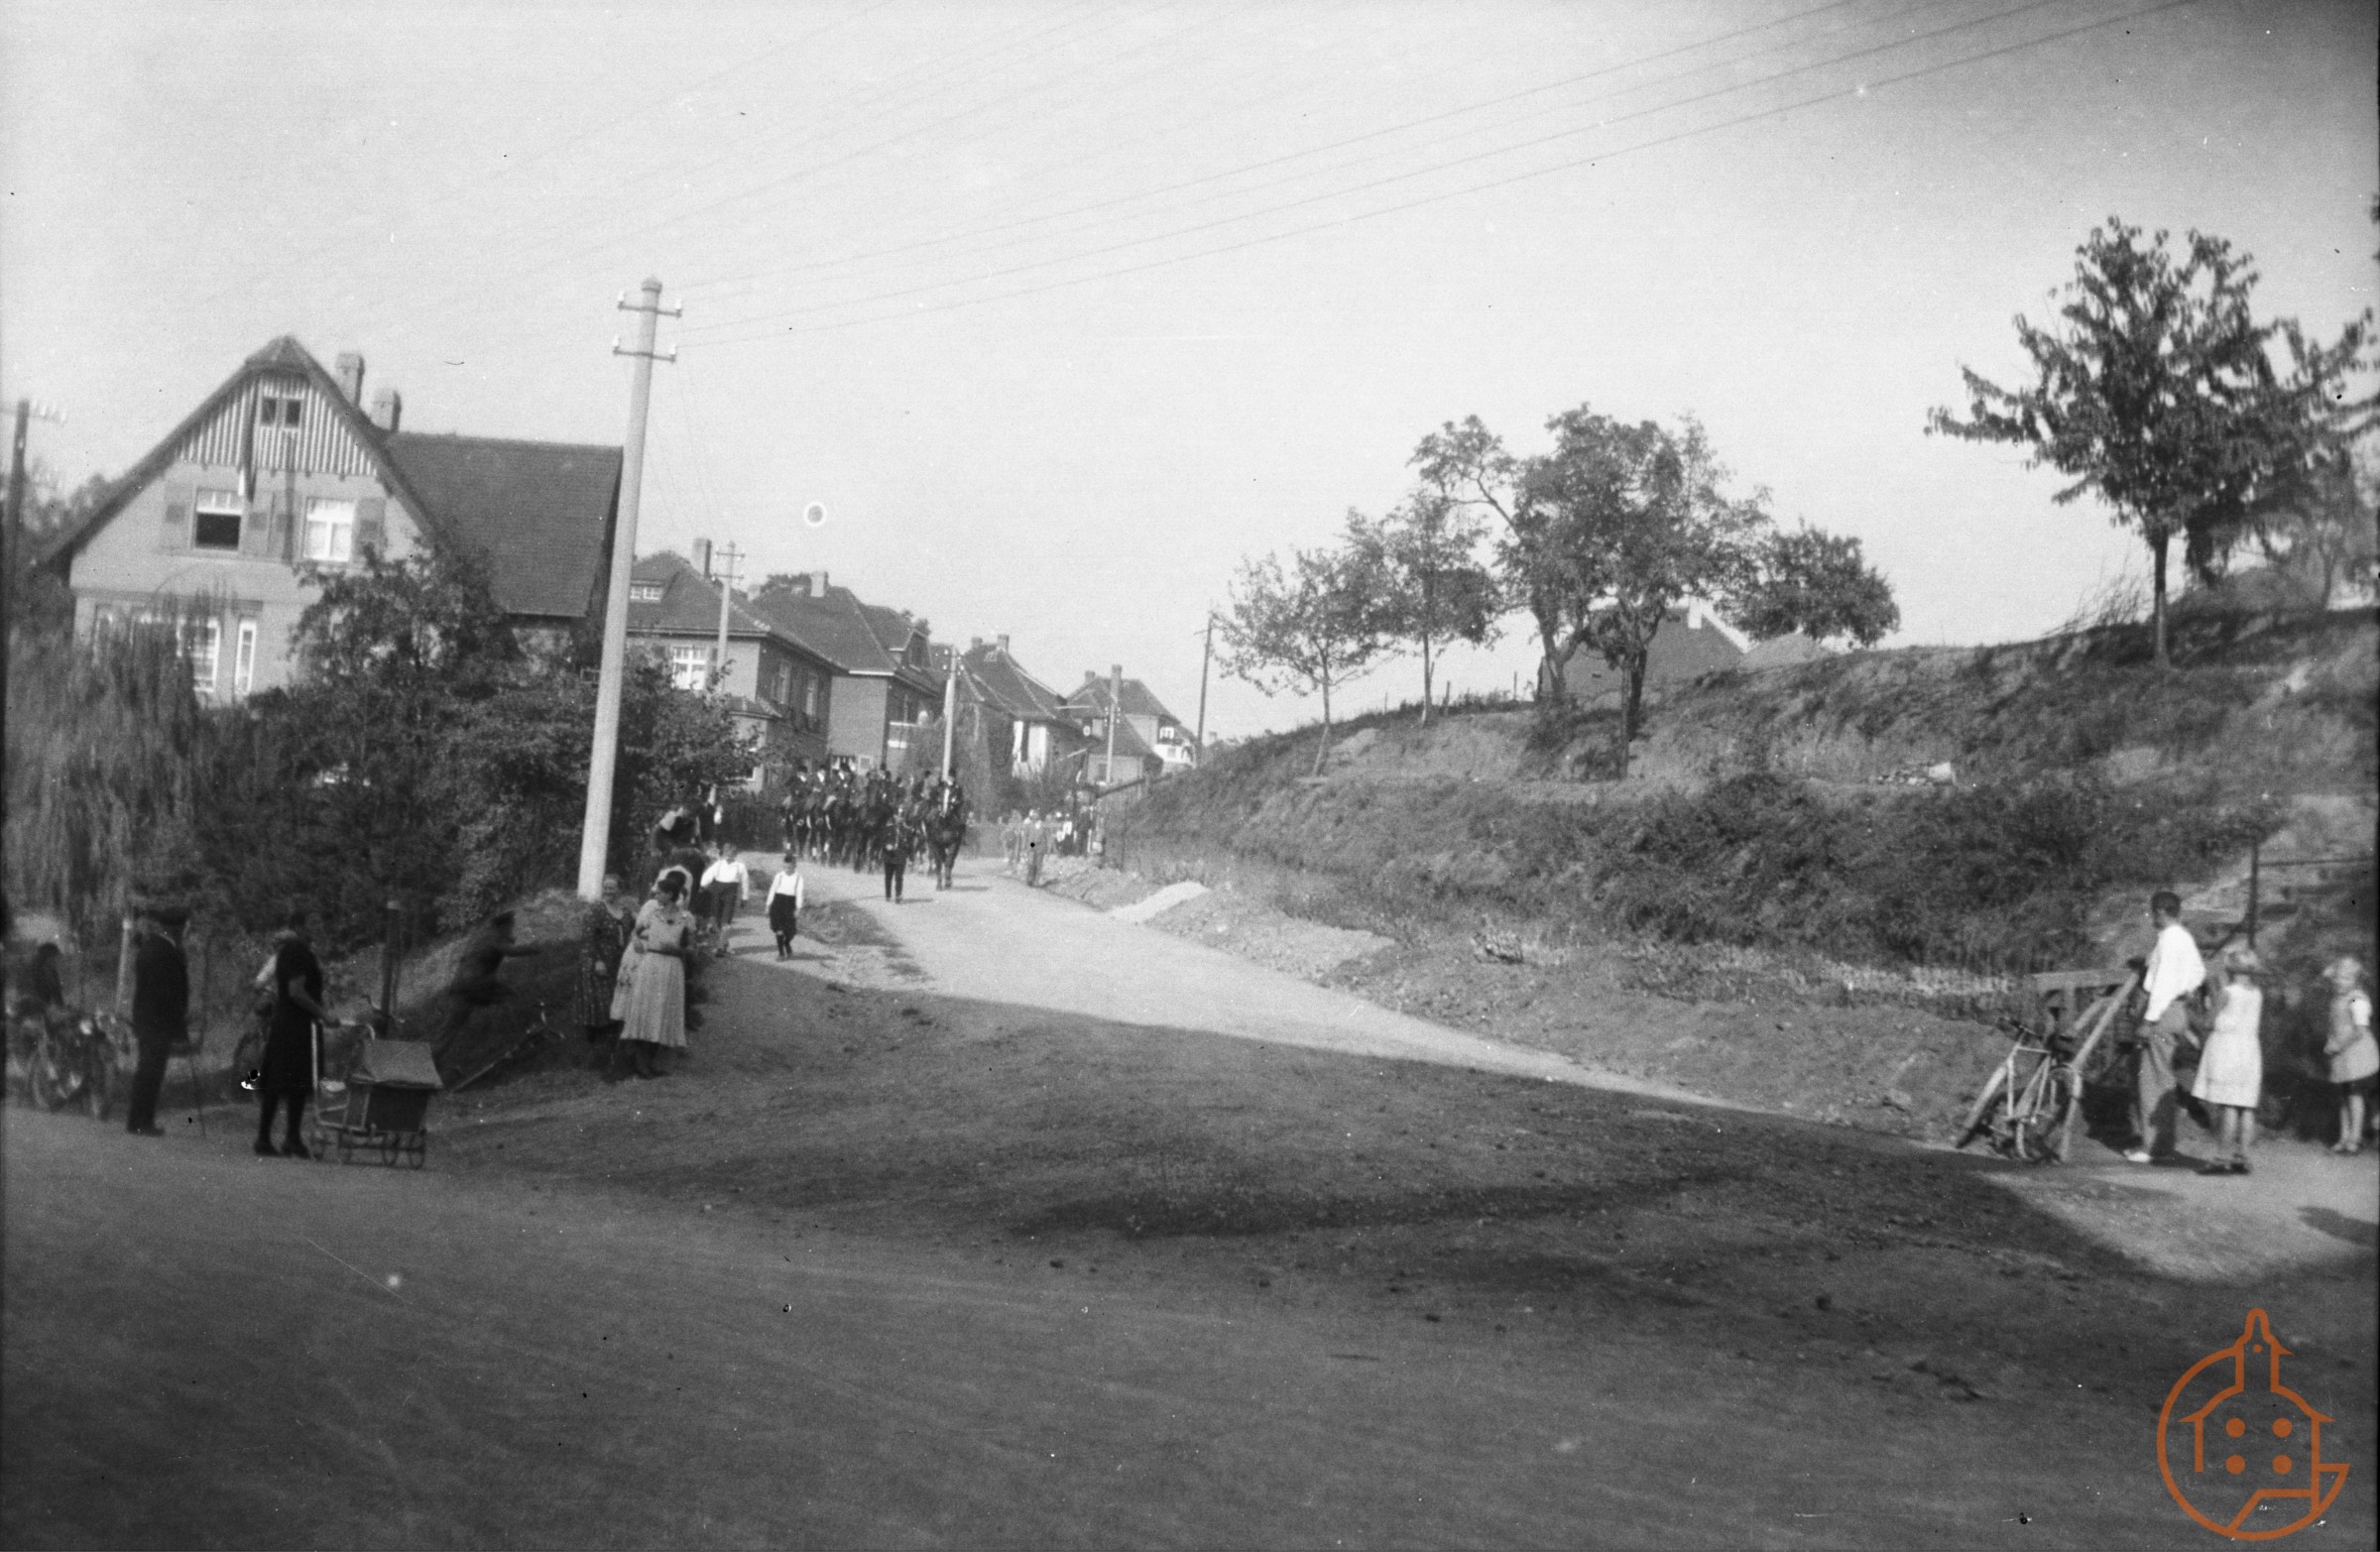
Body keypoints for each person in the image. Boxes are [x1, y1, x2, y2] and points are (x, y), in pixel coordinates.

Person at [2125, 891, 2204, 1165]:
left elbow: (2163, 984)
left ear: (2160, 911)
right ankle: (2159, 1144)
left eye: (2152, 912)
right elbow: (2198, 972)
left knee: (2153, 1080)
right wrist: (2188, 990)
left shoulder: (2169, 940)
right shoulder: (2184, 938)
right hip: (2176, 1010)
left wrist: (2149, 1020)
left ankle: (2156, 1148)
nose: (2151, 917)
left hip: (2162, 1014)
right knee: (2161, 1076)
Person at [257, 910, 332, 1158]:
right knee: (282, 1080)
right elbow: (296, 991)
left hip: (292, 1023)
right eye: (313, 923)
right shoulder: (297, 952)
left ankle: (291, 1137)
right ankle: (266, 1137)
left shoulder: (294, 951)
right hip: (294, 1024)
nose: (318, 928)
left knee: (295, 1081)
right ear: (300, 927)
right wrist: (323, 1014)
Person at [2190, 945, 2265, 1175]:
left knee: (2228, 1105)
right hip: (2249, 1050)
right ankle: (2243, 1157)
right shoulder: (2256, 993)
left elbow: (2208, 1022)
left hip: (2228, 1049)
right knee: (2246, 1106)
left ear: (2231, 968)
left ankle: (2222, 1158)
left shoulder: (2227, 992)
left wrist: (2202, 1010)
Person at [434, 911, 543, 1063]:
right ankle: (525, 1031)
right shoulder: (494, 937)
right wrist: (534, 948)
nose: (511, 930)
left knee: (450, 1027)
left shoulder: (483, 937)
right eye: (510, 926)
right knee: (512, 996)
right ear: (504, 926)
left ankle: (433, 1059)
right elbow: (511, 951)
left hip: (461, 987)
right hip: (477, 985)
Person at [615, 871, 693, 1079]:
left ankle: (650, 1061)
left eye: (659, 893)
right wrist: (636, 940)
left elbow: (691, 948)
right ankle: (639, 1062)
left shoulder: (686, 918)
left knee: (662, 1011)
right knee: (647, 1009)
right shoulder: (652, 914)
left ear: (669, 895)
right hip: (651, 964)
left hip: (672, 967)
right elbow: (635, 931)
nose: (656, 896)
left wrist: (677, 950)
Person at [124, 906, 188, 1137]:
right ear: (177, 929)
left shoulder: (152, 947)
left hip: (148, 1018)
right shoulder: (164, 952)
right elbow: (164, 991)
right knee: (151, 1071)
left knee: (148, 1070)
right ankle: (142, 1120)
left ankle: (138, 1119)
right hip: (158, 1021)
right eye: (184, 928)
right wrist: (178, 1017)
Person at [2323, 956, 2376, 1155]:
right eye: (2337, 978)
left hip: (2357, 1054)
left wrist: (2338, 1045)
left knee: (2354, 1096)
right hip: (2342, 1054)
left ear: (2356, 981)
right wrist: (2332, 1043)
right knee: (2343, 1096)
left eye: (2346, 978)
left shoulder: (2357, 999)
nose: (2339, 982)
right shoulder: (2338, 997)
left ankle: (2355, 1138)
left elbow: (2360, 1031)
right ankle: (2343, 1137)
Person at [576, 876, 634, 1043]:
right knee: (599, 999)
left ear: (620, 890)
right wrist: (597, 961)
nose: (608, 891)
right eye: (605, 888)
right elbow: (588, 938)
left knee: (614, 997)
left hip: (618, 961)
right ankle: (593, 1039)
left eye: (612, 888)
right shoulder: (596, 909)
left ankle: (608, 1038)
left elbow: (634, 929)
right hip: (597, 959)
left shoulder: (625, 911)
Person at [700, 844, 749, 948]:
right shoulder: (718, 864)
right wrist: (702, 885)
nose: (729, 855)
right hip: (717, 893)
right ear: (724, 853)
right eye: (727, 852)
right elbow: (709, 875)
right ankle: (724, 942)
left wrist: (745, 897)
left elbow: (745, 882)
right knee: (716, 919)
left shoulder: (740, 866)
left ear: (736, 854)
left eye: (732, 853)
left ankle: (721, 947)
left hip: (730, 894)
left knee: (726, 920)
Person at [766, 852, 805, 959]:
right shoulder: (779, 876)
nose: (787, 870)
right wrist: (768, 905)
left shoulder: (799, 878)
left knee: (790, 931)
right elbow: (772, 890)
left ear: (795, 866)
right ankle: (781, 953)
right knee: (779, 929)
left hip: (790, 904)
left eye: (790, 868)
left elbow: (800, 893)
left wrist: (798, 908)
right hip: (778, 903)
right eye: (785, 867)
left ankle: (787, 943)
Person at [882, 810, 912, 903]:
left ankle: (898, 895)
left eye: (902, 816)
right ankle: (888, 895)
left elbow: (910, 845)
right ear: (894, 816)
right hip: (889, 856)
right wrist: (886, 846)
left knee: (899, 877)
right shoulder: (888, 829)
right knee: (888, 877)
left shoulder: (907, 831)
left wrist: (911, 858)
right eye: (898, 816)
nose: (900, 818)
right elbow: (882, 841)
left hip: (901, 856)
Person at [1023, 809, 1047, 887]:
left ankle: (1036, 881)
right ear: (1032, 817)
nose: (1035, 817)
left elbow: (1045, 837)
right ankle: (1030, 879)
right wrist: (1024, 847)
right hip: (1031, 845)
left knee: (1038, 864)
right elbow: (1025, 836)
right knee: (1031, 863)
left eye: (1037, 815)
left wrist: (1046, 847)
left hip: (1040, 847)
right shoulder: (1028, 825)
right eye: (1034, 815)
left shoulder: (1042, 825)